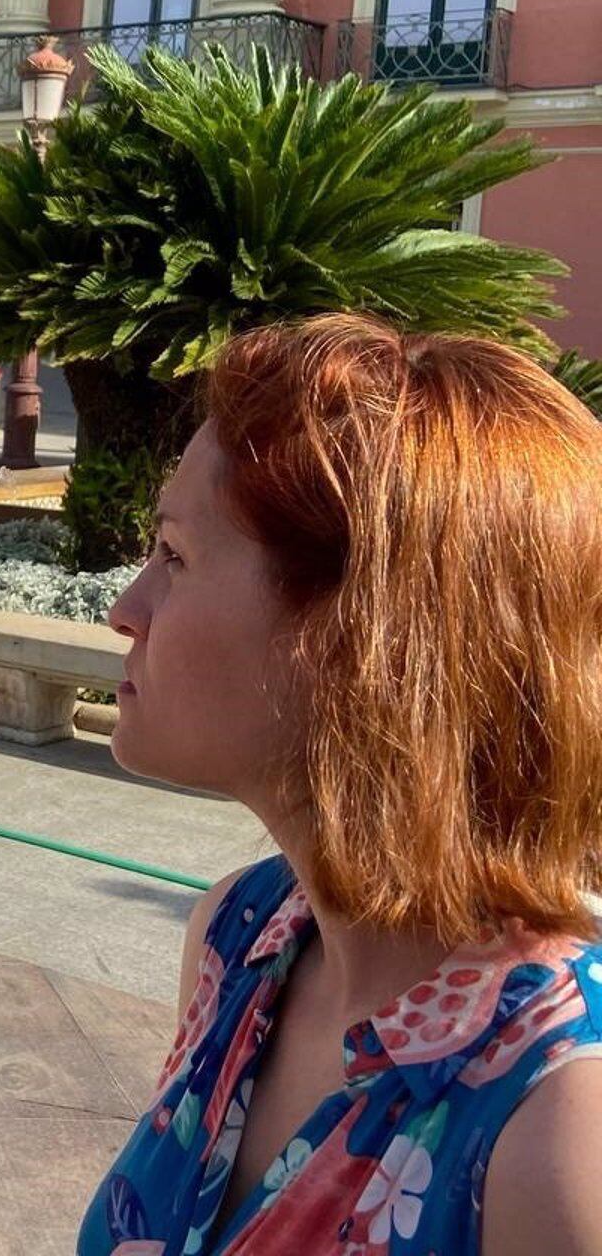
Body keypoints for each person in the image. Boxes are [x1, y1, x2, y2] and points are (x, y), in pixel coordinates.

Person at [81, 315, 602, 1256]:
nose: (127, 608)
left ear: (355, 640)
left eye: (172, 554)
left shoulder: (562, 1122)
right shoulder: (242, 938)